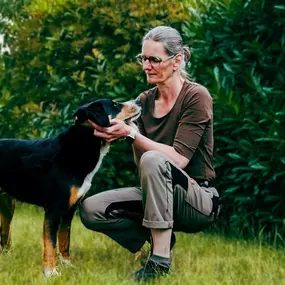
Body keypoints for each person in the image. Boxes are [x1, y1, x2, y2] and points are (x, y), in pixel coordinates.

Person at [79, 25, 219, 282]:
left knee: (155, 158)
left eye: (154, 59)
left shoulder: (196, 97)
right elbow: (140, 163)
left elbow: (178, 159)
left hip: (198, 200)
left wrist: (132, 134)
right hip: (156, 193)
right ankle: (159, 238)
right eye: (143, 58)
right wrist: (115, 130)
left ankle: (160, 262)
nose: (146, 65)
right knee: (90, 209)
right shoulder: (142, 102)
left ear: (177, 61)